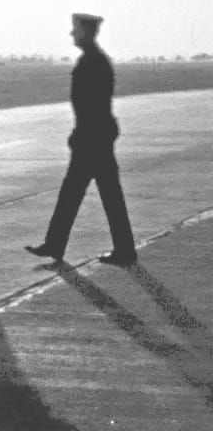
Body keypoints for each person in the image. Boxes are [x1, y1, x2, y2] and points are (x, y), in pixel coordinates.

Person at [26, 13, 137, 266]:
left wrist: (81, 135)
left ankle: (120, 250)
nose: (71, 34)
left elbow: (92, 105)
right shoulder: (93, 60)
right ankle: (56, 244)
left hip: (92, 140)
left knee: (90, 194)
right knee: (83, 194)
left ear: (85, 32)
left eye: (75, 29)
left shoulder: (93, 62)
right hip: (94, 138)